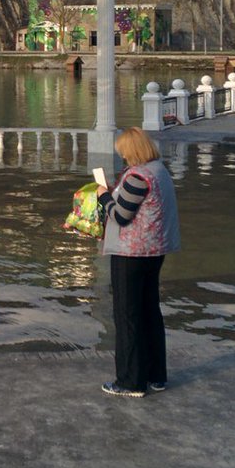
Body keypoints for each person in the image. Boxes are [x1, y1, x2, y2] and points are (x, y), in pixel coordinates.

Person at [95, 127, 181, 398]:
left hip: (131, 253)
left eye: (123, 152)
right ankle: (156, 375)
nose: (122, 157)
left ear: (132, 151)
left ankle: (130, 381)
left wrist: (103, 196)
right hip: (155, 251)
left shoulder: (138, 176)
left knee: (128, 315)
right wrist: (115, 192)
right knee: (149, 312)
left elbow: (120, 215)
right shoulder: (159, 170)